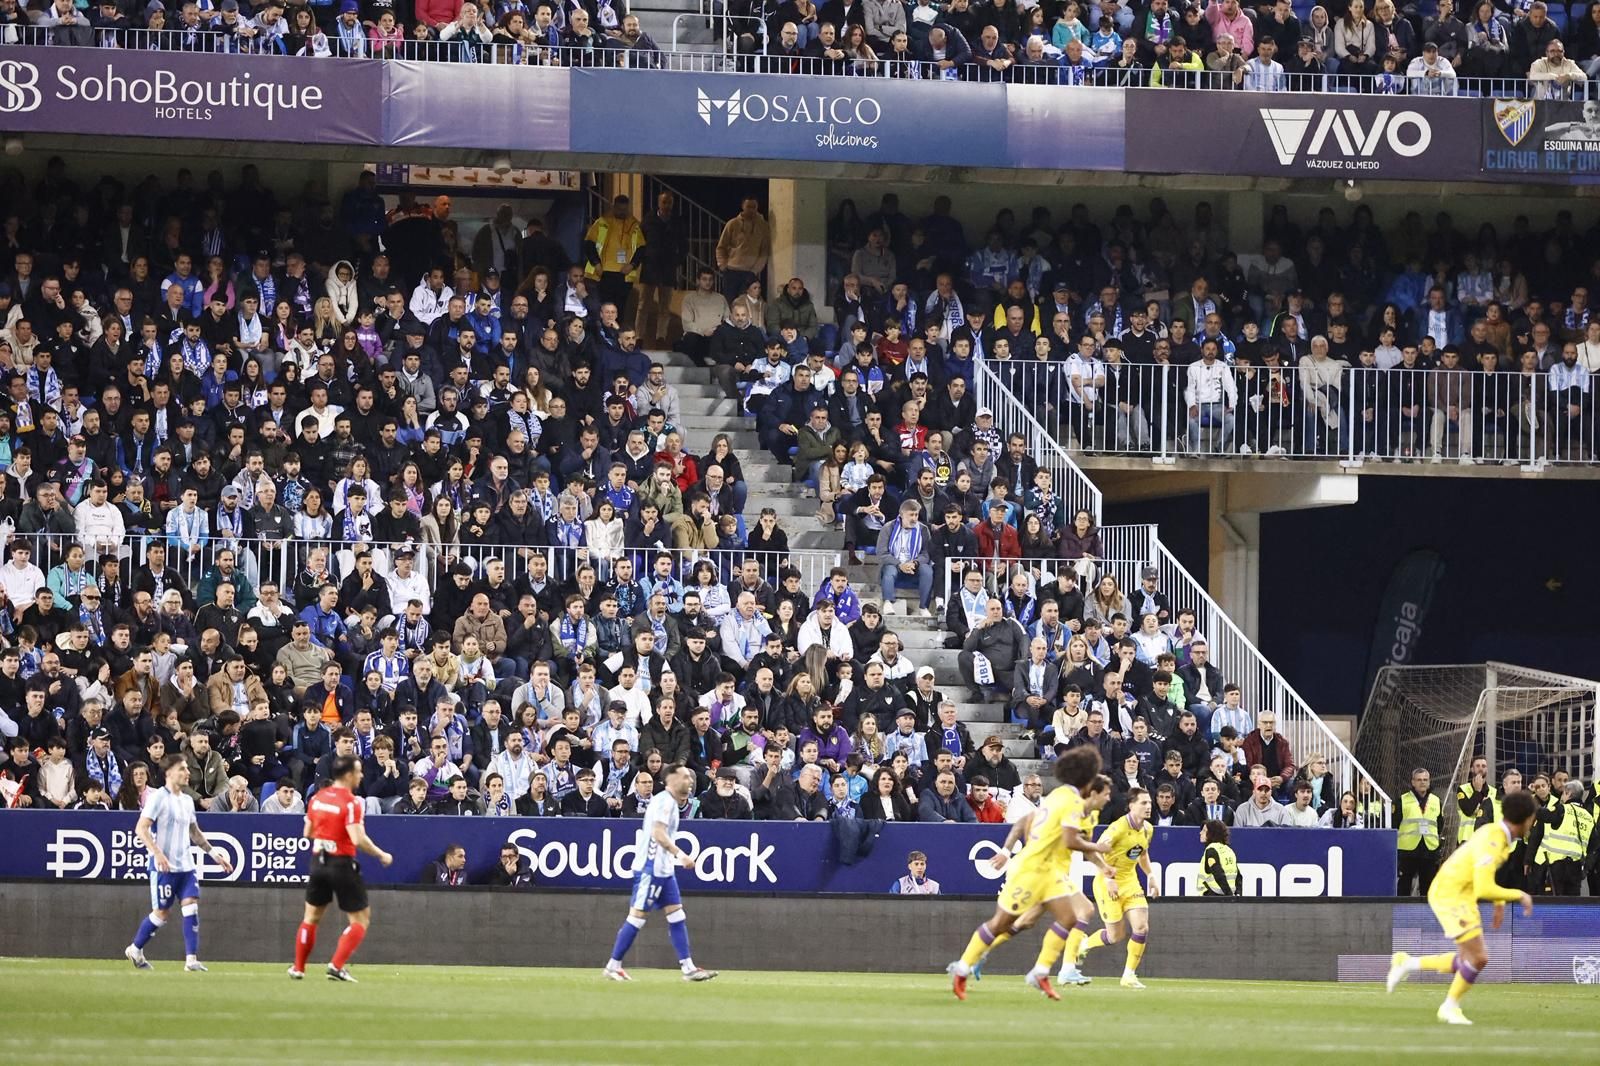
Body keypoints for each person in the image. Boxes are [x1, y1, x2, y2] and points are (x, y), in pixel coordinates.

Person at [946, 747, 1110, 1001]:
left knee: (1070, 918)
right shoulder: (1072, 802)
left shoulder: (1058, 795)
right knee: (1002, 923)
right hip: (1031, 869)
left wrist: (1101, 864)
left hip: (1050, 871)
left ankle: (1040, 972)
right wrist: (1097, 847)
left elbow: (1057, 832)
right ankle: (964, 967)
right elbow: (1069, 840)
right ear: (1087, 775)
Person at [1385, 790, 1537, 1026]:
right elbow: (1485, 888)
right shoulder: (1494, 840)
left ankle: (1408, 963)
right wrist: (1519, 895)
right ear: (1527, 819)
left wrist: (1499, 902)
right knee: (1479, 957)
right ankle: (1449, 1006)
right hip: (1450, 893)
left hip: (1462, 893)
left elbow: (1483, 879)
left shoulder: (1498, 835)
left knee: (1470, 958)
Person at [603, 765, 717, 983]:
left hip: (664, 870)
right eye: (685, 776)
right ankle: (613, 965)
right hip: (651, 867)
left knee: (677, 915)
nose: (690, 780)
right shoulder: (664, 801)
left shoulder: (670, 803)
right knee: (637, 917)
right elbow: (658, 833)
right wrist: (681, 855)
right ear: (671, 780)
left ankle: (688, 968)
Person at [124, 754, 234, 972]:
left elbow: (194, 832)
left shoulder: (186, 800)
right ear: (169, 773)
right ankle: (135, 948)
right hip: (164, 868)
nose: (187, 773)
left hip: (186, 866)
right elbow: (141, 828)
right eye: (182, 769)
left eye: (186, 769)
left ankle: (191, 960)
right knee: (161, 914)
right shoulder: (157, 798)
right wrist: (156, 853)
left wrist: (214, 854)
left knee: (191, 906)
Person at [289, 754, 393, 982]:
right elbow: (357, 838)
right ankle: (336, 966)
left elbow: (307, 833)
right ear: (348, 775)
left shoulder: (317, 798)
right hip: (341, 863)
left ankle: (298, 968)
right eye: (358, 771)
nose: (361, 775)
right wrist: (381, 854)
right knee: (360, 920)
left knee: (310, 917)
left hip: (318, 861)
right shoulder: (352, 802)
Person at [1072, 786, 1159, 989]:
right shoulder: (1117, 828)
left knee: (1141, 927)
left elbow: (1142, 854)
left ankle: (1129, 975)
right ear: (1131, 806)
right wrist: (1108, 877)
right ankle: (1083, 944)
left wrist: (1151, 876)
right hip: (1107, 882)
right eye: (1143, 803)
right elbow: (1095, 853)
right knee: (1115, 936)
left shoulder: (1148, 829)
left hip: (1130, 882)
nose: (1148, 806)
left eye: (1149, 802)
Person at [1397, 766, 1443, 896]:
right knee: (1404, 885)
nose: (1422, 782)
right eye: (1419, 780)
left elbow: (1440, 824)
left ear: (1429, 782)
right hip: (1408, 849)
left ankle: (1427, 914)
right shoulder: (1402, 800)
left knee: (1428, 887)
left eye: (1425, 779)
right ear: (1413, 782)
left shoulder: (1436, 801)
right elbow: (1395, 823)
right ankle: (1403, 914)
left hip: (1429, 849)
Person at [1198, 818, 1241, 896]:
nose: (1200, 833)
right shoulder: (1229, 850)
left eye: (1204, 830)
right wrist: (1237, 894)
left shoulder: (1211, 850)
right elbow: (1238, 876)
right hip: (1227, 897)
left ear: (1211, 833)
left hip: (1212, 898)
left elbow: (1218, 873)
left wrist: (1229, 895)